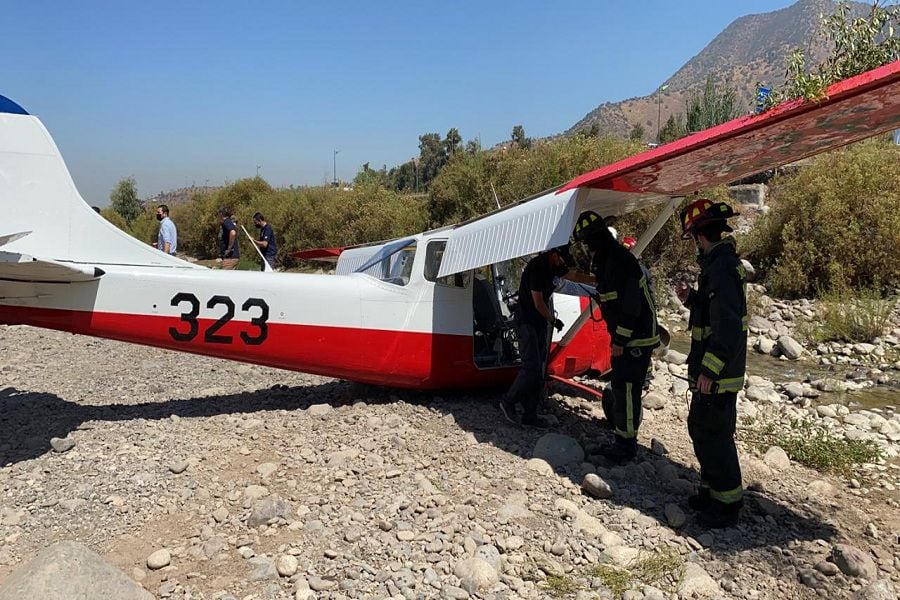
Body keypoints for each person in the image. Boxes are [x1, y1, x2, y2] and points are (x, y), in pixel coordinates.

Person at [676, 198, 747, 529]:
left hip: (718, 374)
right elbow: (711, 312)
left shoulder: (720, 268)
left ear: (699, 237)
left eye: (692, 238)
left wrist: (710, 370)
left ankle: (727, 505)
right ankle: (710, 492)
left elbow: (729, 326)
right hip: (712, 371)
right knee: (701, 428)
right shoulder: (717, 266)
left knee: (714, 435)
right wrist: (692, 299)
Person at [573, 211, 659, 462]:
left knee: (626, 389)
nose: (586, 248)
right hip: (631, 335)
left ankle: (626, 447)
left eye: (588, 241)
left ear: (596, 238)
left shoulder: (618, 261)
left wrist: (620, 340)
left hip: (635, 338)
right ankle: (622, 440)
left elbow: (631, 306)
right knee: (622, 388)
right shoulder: (609, 259)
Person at [500, 246, 572, 429]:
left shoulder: (554, 265)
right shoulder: (537, 267)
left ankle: (530, 414)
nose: (563, 262)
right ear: (554, 255)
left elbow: (570, 275)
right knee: (531, 366)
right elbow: (538, 302)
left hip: (539, 323)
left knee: (539, 370)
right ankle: (508, 402)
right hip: (526, 321)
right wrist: (553, 320)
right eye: (562, 259)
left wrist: (596, 282)